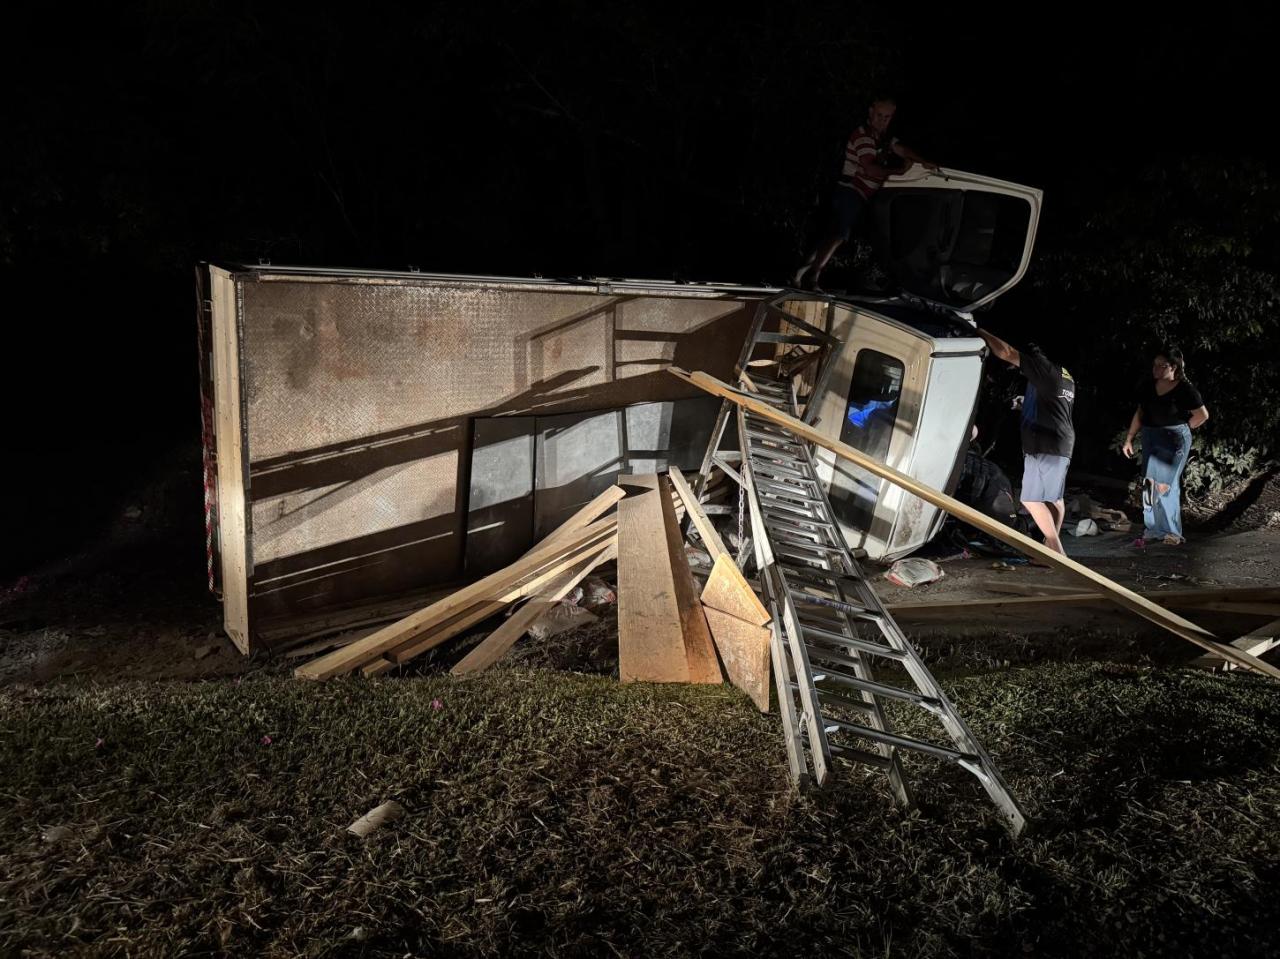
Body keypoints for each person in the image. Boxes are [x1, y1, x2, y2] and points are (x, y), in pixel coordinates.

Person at [792, 96, 937, 292]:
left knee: (834, 235)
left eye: (887, 117)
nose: (882, 120)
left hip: (861, 196)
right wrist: (900, 173)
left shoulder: (883, 138)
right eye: (879, 115)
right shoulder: (863, 136)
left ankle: (801, 274)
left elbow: (901, 149)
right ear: (870, 112)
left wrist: (922, 161)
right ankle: (812, 278)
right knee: (839, 236)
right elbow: (870, 170)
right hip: (850, 190)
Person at [975, 328, 1077, 555]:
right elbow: (1053, 406)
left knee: (1030, 500)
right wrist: (1022, 405)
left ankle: (1057, 552)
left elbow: (1006, 351)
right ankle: (1048, 550)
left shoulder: (1040, 366)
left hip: (1045, 443)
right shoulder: (1063, 374)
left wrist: (980, 331)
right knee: (1054, 498)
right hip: (1059, 442)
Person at [1121, 346, 1210, 546]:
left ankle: (1172, 532)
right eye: (1155, 365)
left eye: (1163, 366)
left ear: (1175, 367)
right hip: (1151, 436)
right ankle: (1153, 528)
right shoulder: (1148, 386)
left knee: (1166, 485)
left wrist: (1183, 428)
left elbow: (1202, 415)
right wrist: (1129, 438)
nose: (1157, 369)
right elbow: (1140, 412)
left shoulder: (1185, 389)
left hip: (1174, 438)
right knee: (1149, 485)